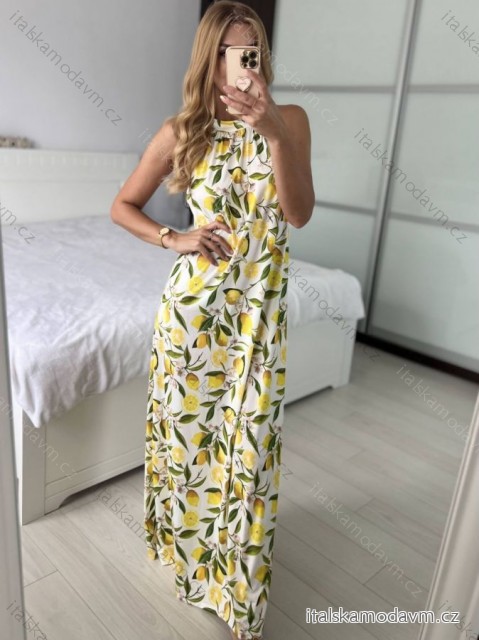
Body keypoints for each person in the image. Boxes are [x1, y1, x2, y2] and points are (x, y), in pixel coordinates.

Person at [110, 1, 314, 637]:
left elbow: (299, 214)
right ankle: (187, 563)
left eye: (253, 50)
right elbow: (123, 206)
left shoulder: (291, 120)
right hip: (193, 317)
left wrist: (273, 133)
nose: (244, 64)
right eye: (231, 52)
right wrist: (176, 238)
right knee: (189, 446)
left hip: (258, 320)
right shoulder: (183, 130)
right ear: (210, 58)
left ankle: (236, 592)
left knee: (247, 454)